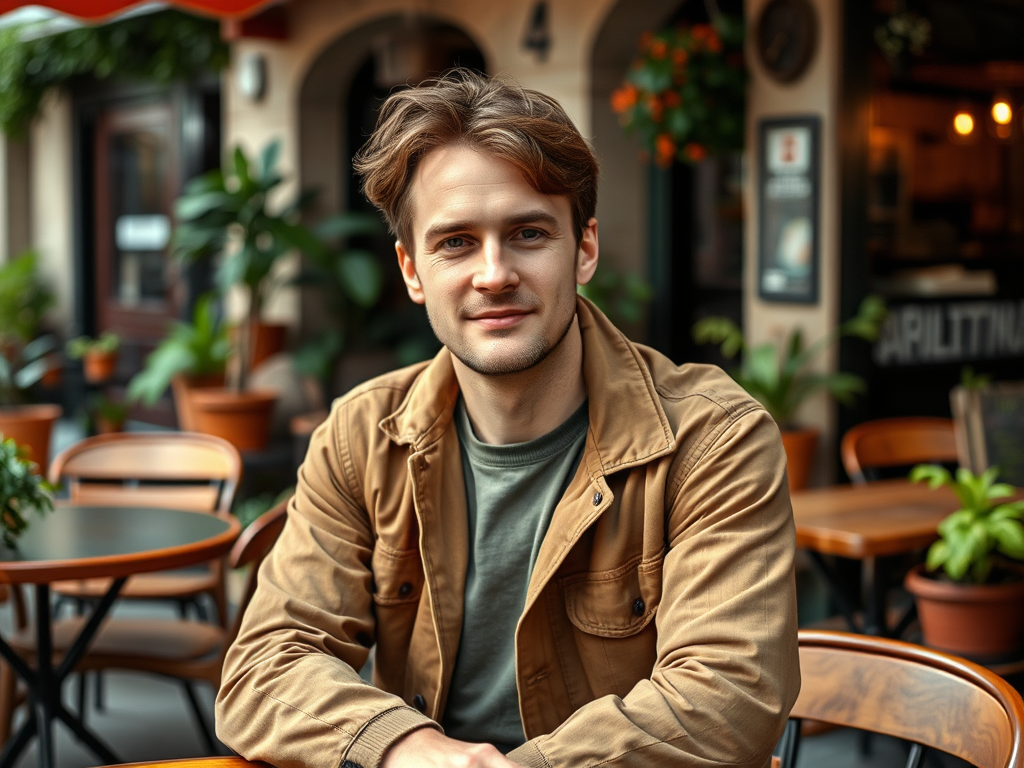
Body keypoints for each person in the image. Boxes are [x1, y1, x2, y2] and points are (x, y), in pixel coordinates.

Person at [216, 69, 799, 768]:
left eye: (527, 233)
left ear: (583, 249)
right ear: (411, 270)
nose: (493, 273)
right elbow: (266, 666)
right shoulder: (360, 438)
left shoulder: (713, 441)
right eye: (455, 242)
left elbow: (728, 700)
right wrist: (406, 747)